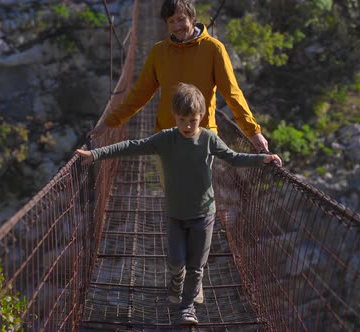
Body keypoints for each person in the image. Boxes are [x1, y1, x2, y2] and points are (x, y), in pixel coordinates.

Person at [77, 83, 282, 325]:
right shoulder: (166, 139)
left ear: (202, 117)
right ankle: (176, 281)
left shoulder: (208, 139)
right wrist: (96, 154)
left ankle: (187, 308)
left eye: (193, 120)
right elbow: (131, 146)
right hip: (176, 214)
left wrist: (263, 159)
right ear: (174, 116)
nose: (187, 125)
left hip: (204, 214)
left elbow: (234, 158)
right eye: (182, 119)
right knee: (176, 262)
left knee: (196, 266)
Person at [90, 0, 269, 153]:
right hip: (167, 137)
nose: (177, 26)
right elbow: (139, 95)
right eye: (171, 21)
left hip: (202, 138)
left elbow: (232, 93)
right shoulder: (159, 52)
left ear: (192, 17)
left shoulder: (214, 49)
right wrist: (109, 123)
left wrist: (253, 132)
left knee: (198, 193)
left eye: (181, 19)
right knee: (171, 193)